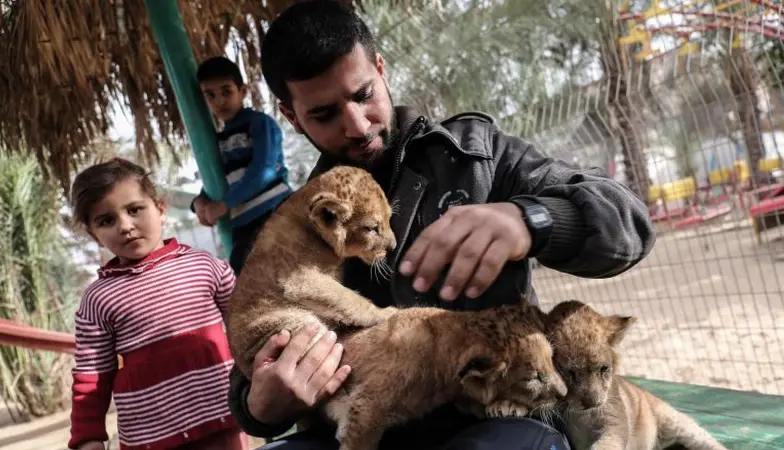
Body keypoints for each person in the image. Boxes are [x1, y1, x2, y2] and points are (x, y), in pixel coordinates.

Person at [226, 1, 657, 449]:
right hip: (356, 427)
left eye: (363, 95)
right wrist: (259, 406)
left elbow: (628, 222)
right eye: (324, 114)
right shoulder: (290, 230)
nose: (357, 125)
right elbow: (247, 363)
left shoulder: (478, 155)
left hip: (494, 419)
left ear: (380, 68)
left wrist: (530, 219)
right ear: (292, 117)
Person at [67, 158, 245, 450]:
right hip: (151, 436)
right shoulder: (98, 298)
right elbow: (91, 373)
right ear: (93, 234)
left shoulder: (204, 266)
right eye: (106, 220)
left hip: (222, 414)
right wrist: (88, 436)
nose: (125, 226)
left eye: (134, 210)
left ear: (160, 208)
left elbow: (248, 324)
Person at [191, 56, 292, 274]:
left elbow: (263, 171)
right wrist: (199, 202)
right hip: (244, 221)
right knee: (242, 276)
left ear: (242, 91)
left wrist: (224, 204)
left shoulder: (259, 123)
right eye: (211, 95)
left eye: (226, 91)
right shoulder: (216, 141)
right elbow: (218, 178)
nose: (220, 101)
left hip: (275, 210)